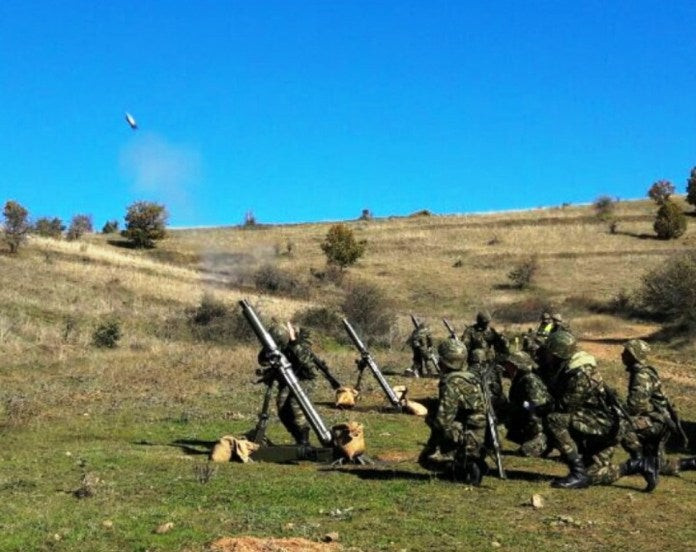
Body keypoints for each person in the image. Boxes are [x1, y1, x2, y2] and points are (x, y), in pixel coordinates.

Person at [543, 331, 657, 490]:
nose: (546, 356)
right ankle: (637, 465)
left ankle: (577, 473)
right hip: (601, 424)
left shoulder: (581, 373)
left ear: (559, 353)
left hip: (605, 426)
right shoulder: (570, 367)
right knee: (593, 476)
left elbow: (566, 406)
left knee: (553, 420)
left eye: (549, 352)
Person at [619, 339, 696, 475]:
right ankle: (690, 463)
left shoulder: (641, 376)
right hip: (660, 421)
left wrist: (616, 409)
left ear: (634, 355)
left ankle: (639, 464)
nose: (622, 354)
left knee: (622, 426)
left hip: (657, 422)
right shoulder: (642, 372)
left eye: (626, 352)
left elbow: (635, 407)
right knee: (659, 466)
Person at [419, 340, 488, 485]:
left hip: (469, 438)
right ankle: (466, 463)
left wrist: (432, 444)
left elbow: (443, 420)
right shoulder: (471, 378)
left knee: (426, 459)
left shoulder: (452, 382)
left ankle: (460, 465)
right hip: (481, 436)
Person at [257, 322, 317, 446]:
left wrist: (294, 343)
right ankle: (298, 437)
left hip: (305, 379)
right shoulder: (276, 345)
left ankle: (304, 439)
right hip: (288, 378)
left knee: (295, 403)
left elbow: (307, 364)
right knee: (282, 407)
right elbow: (262, 360)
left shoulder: (301, 342)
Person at [501, 351, 552, 457]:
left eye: (510, 365)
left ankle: (541, 441)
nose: (506, 367)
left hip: (538, 421)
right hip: (528, 416)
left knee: (526, 451)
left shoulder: (529, 380)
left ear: (518, 366)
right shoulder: (519, 378)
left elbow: (539, 407)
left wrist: (522, 406)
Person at [468, 348, 507, 420]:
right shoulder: (491, 369)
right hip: (490, 400)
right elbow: (498, 388)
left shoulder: (468, 371)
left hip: (477, 401)